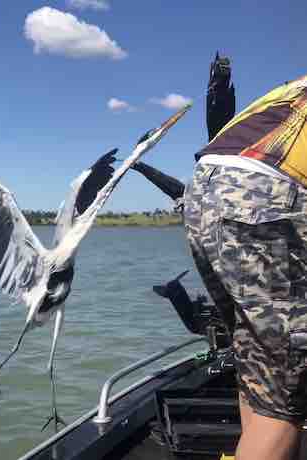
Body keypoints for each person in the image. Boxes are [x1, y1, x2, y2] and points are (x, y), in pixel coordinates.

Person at [185, 71, 307, 459]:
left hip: (206, 187)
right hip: (265, 192)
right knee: (289, 396)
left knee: (260, 363)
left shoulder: (294, 88)